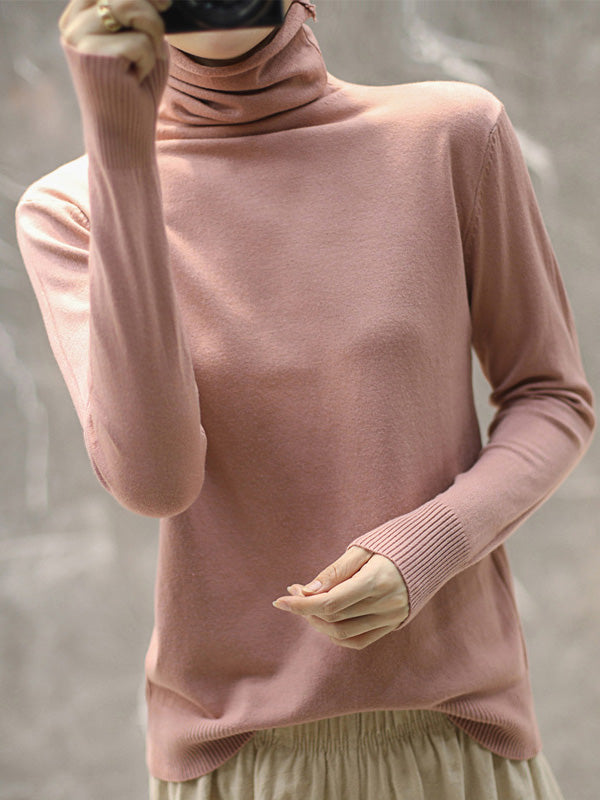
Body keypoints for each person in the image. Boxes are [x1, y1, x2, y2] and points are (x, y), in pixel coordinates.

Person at [14, 0, 595, 798]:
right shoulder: (74, 207)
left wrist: (427, 546)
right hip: (238, 764)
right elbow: (157, 481)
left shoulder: (451, 134)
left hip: (456, 745)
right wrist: (122, 151)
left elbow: (552, 398)